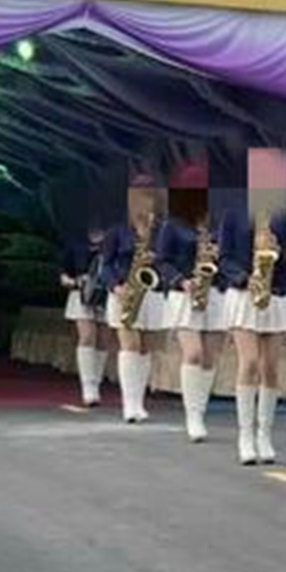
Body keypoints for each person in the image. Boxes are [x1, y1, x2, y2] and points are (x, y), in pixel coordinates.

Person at [219, 195, 286, 467]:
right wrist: (243, 277)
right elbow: (224, 257)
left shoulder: (285, 215)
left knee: (270, 367)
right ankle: (245, 435)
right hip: (244, 294)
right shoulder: (234, 211)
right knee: (249, 361)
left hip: (276, 294)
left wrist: (279, 251)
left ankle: (265, 434)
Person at [155, 162, 229, 443]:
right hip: (184, 293)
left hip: (215, 292)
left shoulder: (217, 224)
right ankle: (193, 416)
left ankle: (201, 409)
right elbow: (161, 261)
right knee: (194, 353)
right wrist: (181, 281)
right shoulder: (172, 226)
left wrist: (220, 253)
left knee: (210, 357)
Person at [101, 179, 167, 424]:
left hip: (152, 292)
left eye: (149, 196)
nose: (145, 202)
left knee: (146, 347)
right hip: (124, 291)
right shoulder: (117, 230)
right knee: (130, 345)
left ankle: (139, 401)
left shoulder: (162, 230)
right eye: (140, 196)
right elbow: (105, 265)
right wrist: (116, 286)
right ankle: (129, 404)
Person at [59, 220, 110, 406]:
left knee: (103, 339)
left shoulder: (113, 240)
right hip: (82, 295)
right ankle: (88, 387)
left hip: (107, 294)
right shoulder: (75, 242)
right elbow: (64, 273)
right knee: (87, 336)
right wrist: (72, 281)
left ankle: (96, 382)